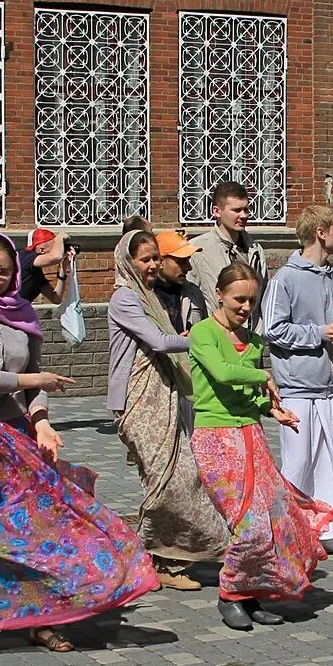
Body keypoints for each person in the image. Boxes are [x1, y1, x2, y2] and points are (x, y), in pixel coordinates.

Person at [0, 234, 157, 665]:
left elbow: (33, 372)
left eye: (2, 271)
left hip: (13, 431)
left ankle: (40, 617)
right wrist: (38, 383)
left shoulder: (23, 313)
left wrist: (43, 423)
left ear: (16, 272)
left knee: (31, 528)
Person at [188, 263, 333, 631]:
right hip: (215, 438)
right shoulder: (203, 333)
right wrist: (264, 375)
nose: (245, 307)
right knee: (248, 525)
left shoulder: (254, 342)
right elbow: (223, 373)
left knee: (272, 520)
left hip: (250, 435)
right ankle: (229, 594)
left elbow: (246, 397)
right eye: (239, 299)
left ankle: (250, 594)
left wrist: (272, 410)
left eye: (252, 300)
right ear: (219, 295)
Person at [107, 230, 225, 592]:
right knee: (165, 480)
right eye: (146, 259)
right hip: (139, 399)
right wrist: (203, 337)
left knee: (179, 474)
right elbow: (158, 341)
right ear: (129, 262)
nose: (153, 265)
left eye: (156, 257)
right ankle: (139, 554)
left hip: (166, 393)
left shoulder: (151, 296)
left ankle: (165, 560)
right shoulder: (125, 298)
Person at [260, 205, 333, 558]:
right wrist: (319, 332)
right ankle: (289, 530)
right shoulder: (284, 278)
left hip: (328, 383)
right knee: (298, 461)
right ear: (320, 232)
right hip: (296, 384)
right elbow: (272, 328)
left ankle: (332, 529)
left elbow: (332, 323)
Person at [189, 181, 269, 306]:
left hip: (250, 325)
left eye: (246, 209)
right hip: (213, 323)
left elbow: (263, 298)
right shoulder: (197, 250)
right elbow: (190, 302)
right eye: (237, 210)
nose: (243, 215)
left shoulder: (255, 250)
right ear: (217, 211)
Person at [18, 228, 70, 305]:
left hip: (18, 314)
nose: (60, 250)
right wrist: (60, 237)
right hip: (2, 313)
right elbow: (56, 257)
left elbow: (56, 298)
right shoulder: (26, 257)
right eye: (55, 248)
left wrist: (63, 269)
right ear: (42, 250)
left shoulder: (36, 272)